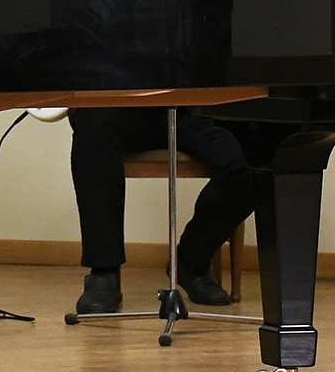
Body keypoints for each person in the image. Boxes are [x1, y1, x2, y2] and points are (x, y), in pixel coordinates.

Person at [65, 106, 255, 314]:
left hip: (187, 112)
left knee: (247, 165)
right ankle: (104, 272)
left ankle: (191, 262)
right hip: (120, 110)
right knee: (92, 121)